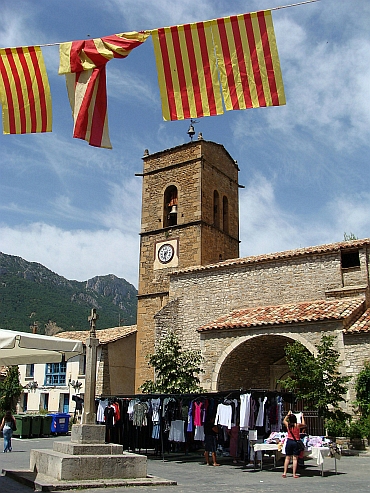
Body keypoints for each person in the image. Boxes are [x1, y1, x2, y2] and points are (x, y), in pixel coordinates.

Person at [282, 410, 306, 478]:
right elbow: (304, 424)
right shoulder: (297, 425)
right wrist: (302, 417)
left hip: (289, 441)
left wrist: (287, 415)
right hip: (296, 442)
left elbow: (284, 421)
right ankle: (294, 474)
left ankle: (284, 473)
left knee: (287, 458)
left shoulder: (288, 425)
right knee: (295, 459)